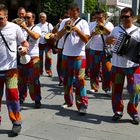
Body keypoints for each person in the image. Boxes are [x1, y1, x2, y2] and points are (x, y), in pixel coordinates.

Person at [51, 3, 90, 114]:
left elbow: (86, 39)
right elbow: (57, 36)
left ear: (78, 11)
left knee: (80, 80)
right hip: (66, 54)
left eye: (74, 12)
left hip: (79, 55)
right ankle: (68, 101)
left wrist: (77, 30)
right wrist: (64, 28)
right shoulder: (64, 21)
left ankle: (82, 104)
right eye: (70, 12)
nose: (72, 14)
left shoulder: (83, 23)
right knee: (67, 80)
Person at [106, 7, 140, 124]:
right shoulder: (116, 29)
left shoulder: (138, 31)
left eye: (127, 17)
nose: (124, 19)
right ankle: (118, 112)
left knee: (136, 90)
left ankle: (133, 111)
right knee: (116, 90)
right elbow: (107, 41)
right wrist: (109, 40)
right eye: (122, 16)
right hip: (117, 65)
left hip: (134, 66)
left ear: (132, 17)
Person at [0, 4, 29, 134]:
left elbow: (24, 43)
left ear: (6, 16)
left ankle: (16, 122)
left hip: (11, 69)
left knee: (12, 96)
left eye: (0, 17)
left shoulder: (15, 28)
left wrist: (24, 49)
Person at [18, 11, 42, 108]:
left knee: (34, 80)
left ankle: (37, 99)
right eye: (25, 18)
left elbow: (35, 37)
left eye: (28, 18)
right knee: (22, 80)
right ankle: (21, 97)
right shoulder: (21, 29)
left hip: (34, 57)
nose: (26, 19)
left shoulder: (37, 28)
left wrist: (25, 28)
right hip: (23, 57)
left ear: (33, 19)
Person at [88, 10, 114, 95]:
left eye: (100, 17)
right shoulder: (91, 24)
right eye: (96, 18)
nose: (98, 19)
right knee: (93, 69)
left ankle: (107, 88)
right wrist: (93, 33)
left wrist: (102, 27)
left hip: (106, 50)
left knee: (107, 70)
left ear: (104, 17)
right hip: (94, 49)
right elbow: (87, 36)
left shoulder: (109, 24)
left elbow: (110, 34)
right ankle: (94, 87)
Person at [37, 12, 54, 76]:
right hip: (39, 44)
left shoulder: (49, 25)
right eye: (40, 17)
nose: (42, 18)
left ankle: (48, 71)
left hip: (47, 44)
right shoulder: (37, 25)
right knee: (39, 59)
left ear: (46, 18)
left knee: (48, 57)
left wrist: (51, 36)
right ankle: (40, 71)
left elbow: (53, 33)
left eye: (43, 17)